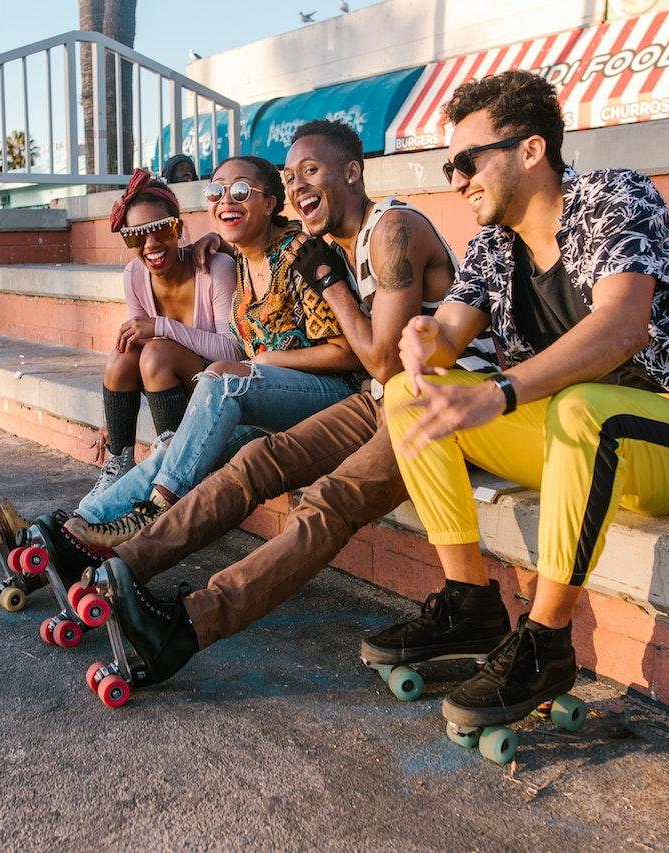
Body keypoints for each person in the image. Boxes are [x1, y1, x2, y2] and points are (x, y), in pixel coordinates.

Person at [376, 71, 669, 730]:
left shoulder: (615, 198)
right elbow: (447, 335)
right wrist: (425, 341)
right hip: (580, 445)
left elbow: (621, 327)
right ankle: (468, 602)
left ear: (531, 151)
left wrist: (503, 390)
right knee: (404, 396)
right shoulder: (494, 241)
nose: (455, 178)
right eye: (446, 164)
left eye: (466, 160)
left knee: (582, 407)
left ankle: (544, 641)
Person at [85, 119, 501, 687]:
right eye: (291, 176)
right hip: (382, 402)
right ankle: (121, 569)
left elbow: (379, 360)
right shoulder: (333, 238)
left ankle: (183, 630)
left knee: (327, 502)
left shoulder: (393, 228)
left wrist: (329, 281)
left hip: (440, 406)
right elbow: (267, 229)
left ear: (353, 172)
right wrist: (209, 239)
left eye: (312, 171)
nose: (300, 186)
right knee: (257, 461)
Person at [62, 155, 363, 555]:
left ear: (270, 203)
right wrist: (217, 239)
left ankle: (158, 507)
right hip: (269, 400)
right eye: (216, 191)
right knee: (173, 448)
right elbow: (226, 244)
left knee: (224, 379)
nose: (226, 200)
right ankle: (73, 531)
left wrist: (267, 363)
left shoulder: (302, 256)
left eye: (240, 191)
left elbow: (347, 354)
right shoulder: (240, 261)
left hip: (331, 396)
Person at [87, 167, 243, 503]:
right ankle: (120, 462)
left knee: (156, 351)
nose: (152, 244)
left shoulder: (215, 269)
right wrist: (111, 422)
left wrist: (161, 326)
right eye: (136, 236)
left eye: (161, 230)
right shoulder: (134, 276)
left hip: (214, 389)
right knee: (124, 352)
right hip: (165, 390)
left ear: (179, 227)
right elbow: (134, 349)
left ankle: (173, 469)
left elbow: (233, 352)